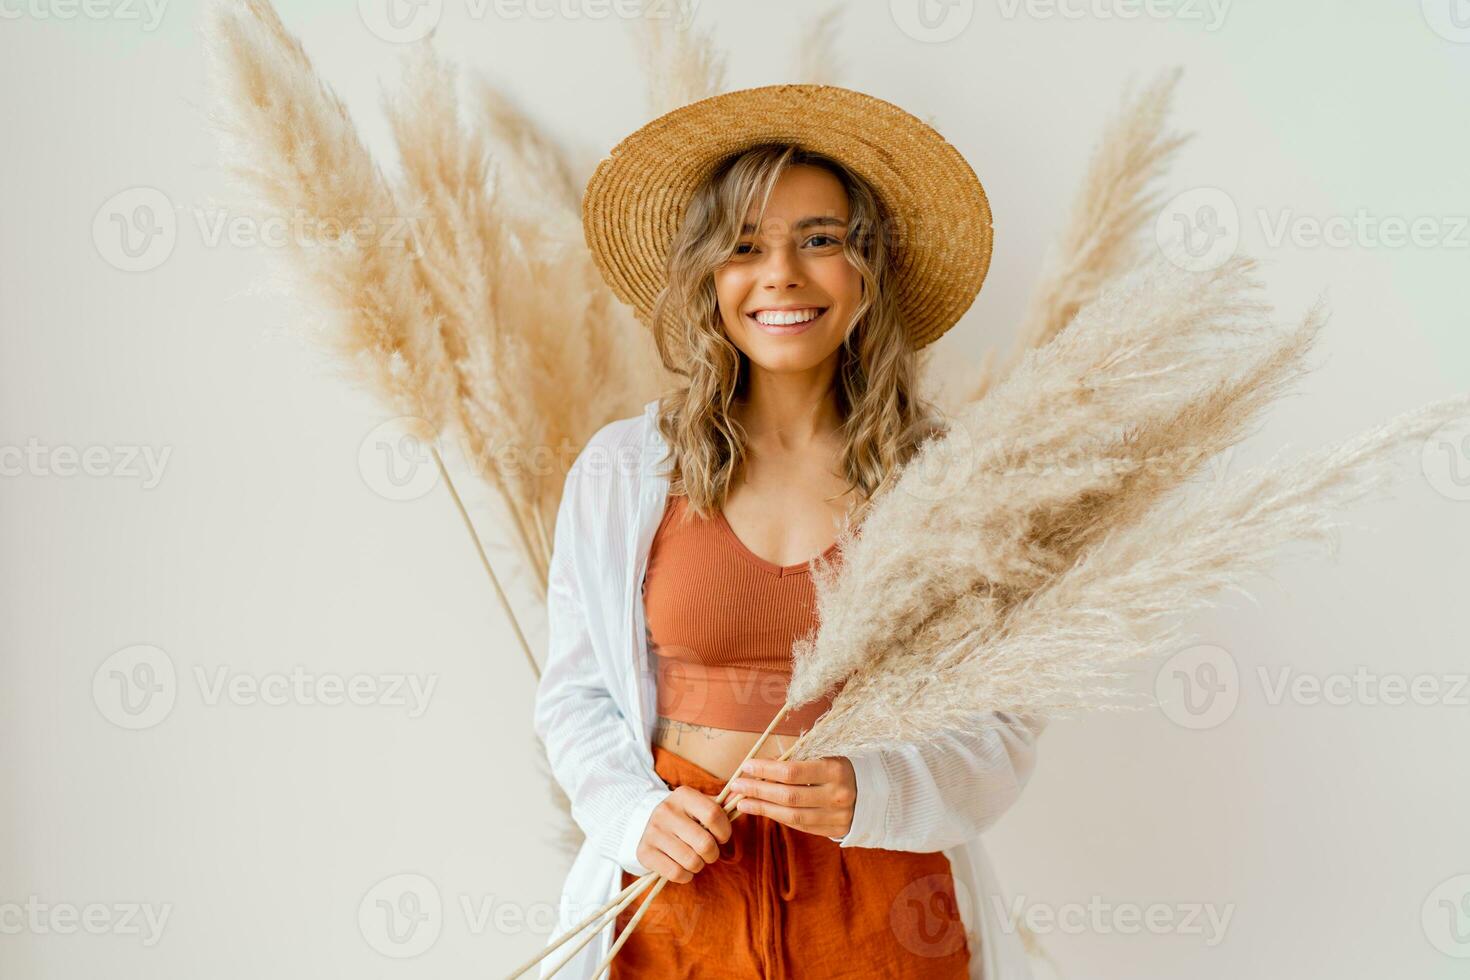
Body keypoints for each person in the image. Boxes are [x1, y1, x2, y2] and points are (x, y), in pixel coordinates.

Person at [534, 84, 1046, 979]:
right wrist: (632, 817)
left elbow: (1003, 726)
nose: (781, 275)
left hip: (881, 892)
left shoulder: (943, 478)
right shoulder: (623, 471)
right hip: (676, 888)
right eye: (744, 247)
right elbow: (574, 699)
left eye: (819, 240)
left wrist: (873, 791)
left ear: (867, 271)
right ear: (707, 276)